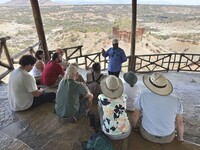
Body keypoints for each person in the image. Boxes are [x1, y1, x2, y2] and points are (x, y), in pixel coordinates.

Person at [132, 72, 184, 144]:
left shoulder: (143, 96)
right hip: (168, 137)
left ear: (150, 85)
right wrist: (180, 138)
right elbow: (180, 123)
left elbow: (135, 115)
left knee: (141, 116)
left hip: (147, 134)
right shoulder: (176, 100)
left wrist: (134, 127)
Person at [98, 75, 131, 140]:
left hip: (109, 134)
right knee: (123, 110)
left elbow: (100, 106)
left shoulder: (102, 98)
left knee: (100, 108)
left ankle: (104, 123)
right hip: (126, 132)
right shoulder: (124, 97)